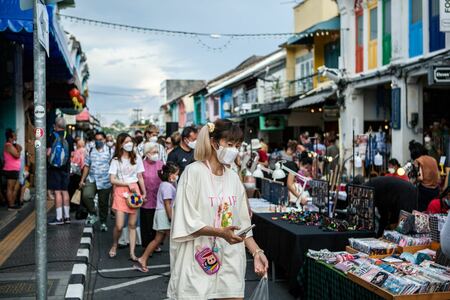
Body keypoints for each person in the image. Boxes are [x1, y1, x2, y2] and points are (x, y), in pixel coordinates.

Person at [167, 119, 268, 299]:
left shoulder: (234, 178)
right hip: (197, 256)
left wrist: (257, 251)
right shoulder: (193, 173)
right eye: (229, 144)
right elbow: (185, 219)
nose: (234, 150)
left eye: (237, 145)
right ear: (214, 143)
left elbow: (243, 224)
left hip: (230, 258)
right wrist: (221, 232)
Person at [135, 162, 179, 272]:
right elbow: (167, 203)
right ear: (170, 174)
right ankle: (177, 265)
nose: (177, 176)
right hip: (164, 215)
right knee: (175, 241)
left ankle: (143, 258)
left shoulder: (165, 184)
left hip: (161, 214)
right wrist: (171, 218)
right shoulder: (167, 187)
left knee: (157, 240)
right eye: (176, 174)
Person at [108, 133, 146, 260]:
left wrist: (143, 192)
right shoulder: (115, 161)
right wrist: (126, 184)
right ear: (121, 145)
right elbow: (112, 179)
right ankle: (114, 244)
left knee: (132, 225)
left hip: (134, 191)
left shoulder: (137, 158)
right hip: (120, 191)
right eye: (126, 142)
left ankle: (132, 253)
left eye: (130, 142)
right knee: (119, 225)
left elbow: (140, 176)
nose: (129, 144)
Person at [79, 132, 113, 231]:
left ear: (104, 140)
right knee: (86, 195)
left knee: (103, 204)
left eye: (101, 139)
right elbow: (86, 165)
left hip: (105, 181)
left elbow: (113, 166)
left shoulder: (110, 151)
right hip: (92, 179)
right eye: (97, 139)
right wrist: (82, 180)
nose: (99, 141)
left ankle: (103, 222)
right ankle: (93, 213)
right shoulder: (90, 150)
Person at [47, 117, 74, 225]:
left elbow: (48, 153)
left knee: (57, 192)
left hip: (54, 168)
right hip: (65, 168)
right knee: (65, 191)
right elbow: (71, 154)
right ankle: (67, 217)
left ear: (56, 125)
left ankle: (59, 218)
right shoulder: (69, 136)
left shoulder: (52, 136)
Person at [140, 142, 163, 248]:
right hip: (146, 199)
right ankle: (147, 246)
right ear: (147, 153)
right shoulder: (141, 164)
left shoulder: (160, 163)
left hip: (158, 199)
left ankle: (155, 245)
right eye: (153, 152)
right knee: (147, 225)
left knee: (157, 224)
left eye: (157, 152)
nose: (156, 154)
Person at [409, 140, 440, 211]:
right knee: (432, 212)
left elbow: (420, 178)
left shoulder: (418, 160)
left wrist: (412, 182)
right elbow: (439, 178)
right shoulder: (433, 159)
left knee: (422, 213)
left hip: (424, 191)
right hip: (435, 190)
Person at [3, 129, 22, 211]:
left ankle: (12, 204)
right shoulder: (8, 146)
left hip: (13, 169)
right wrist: (19, 150)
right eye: (14, 136)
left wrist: (18, 148)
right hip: (10, 170)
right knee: (10, 187)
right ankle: (10, 205)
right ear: (10, 138)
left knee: (12, 187)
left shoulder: (11, 145)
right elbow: (17, 155)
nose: (16, 137)